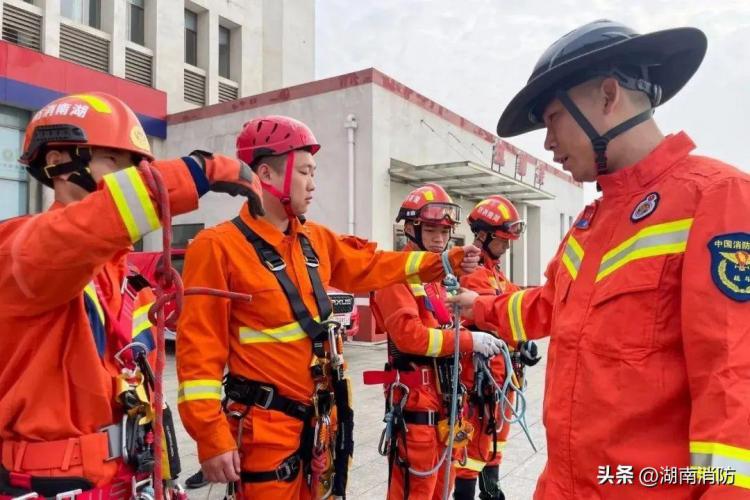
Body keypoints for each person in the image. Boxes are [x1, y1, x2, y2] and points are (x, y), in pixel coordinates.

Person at [448, 19, 750, 498]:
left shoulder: (716, 198)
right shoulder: (591, 222)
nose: (547, 143)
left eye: (552, 120)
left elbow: (733, 382)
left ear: (608, 96)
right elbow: (547, 306)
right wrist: (475, 305)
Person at [175, 117, 481, 499]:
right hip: (264, 432)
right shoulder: (217, 246)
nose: (313, 182)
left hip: (320, 424)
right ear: (265, 173)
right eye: (304, 171)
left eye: (314, 172)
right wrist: (211, 437)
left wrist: (446, 260)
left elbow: (373, 264)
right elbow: (198, 355)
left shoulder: (314, 240)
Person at [0, 92, 263, 499]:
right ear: (58, 163)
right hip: (52, 482)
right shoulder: (22, 251)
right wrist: (195, 172)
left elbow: (139, 388)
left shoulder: (129, 282)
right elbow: (83, 232)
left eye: (140, 168)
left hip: (124, 477)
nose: (135, 177)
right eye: (118, 163)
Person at [365, 183, 504, 499]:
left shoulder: (438, 282)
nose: (440, 238)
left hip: (445, 403)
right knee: (418, 489)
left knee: (443, 487)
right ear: (411, 228)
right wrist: (469, 341)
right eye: (431, 230)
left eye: (445, 231)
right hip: (416, 403)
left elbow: (449, 325)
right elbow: (411, 337)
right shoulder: (394, 276)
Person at [453, 195, 525, 500]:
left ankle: (492, 490)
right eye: (502, 240)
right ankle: (466, 495)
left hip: (501, 377)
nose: (507, 247)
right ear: (483, 236)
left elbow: (515, 306)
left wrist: (524, 344)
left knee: (497, 438)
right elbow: (495, 315)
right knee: (474, 442)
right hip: (477, 378)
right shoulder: (471, 272)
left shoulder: (497, 274)